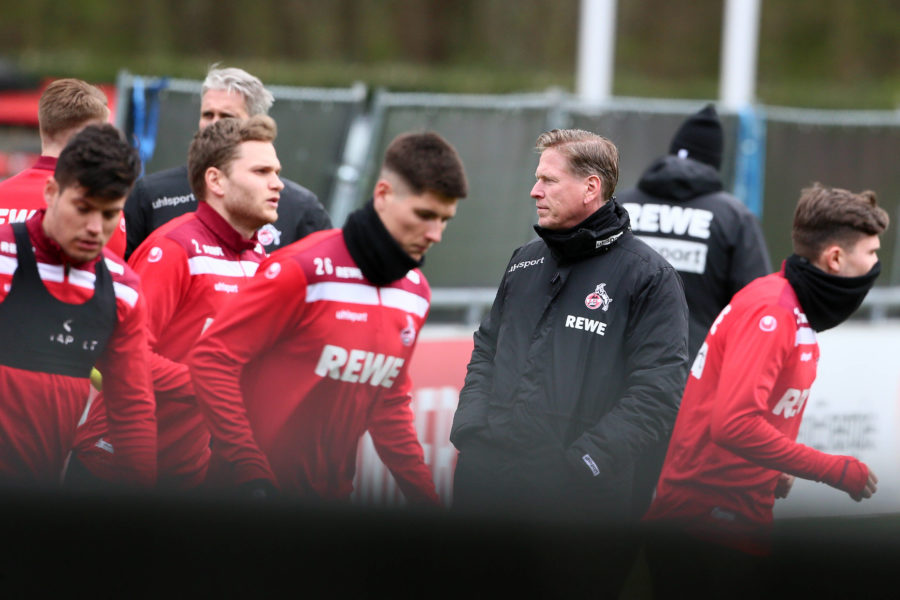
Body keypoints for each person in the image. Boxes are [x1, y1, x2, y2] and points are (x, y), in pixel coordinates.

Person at [448, 129, 689, 592]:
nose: (534, 191)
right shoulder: (524, 262)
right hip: (488, 489)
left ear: (591, 188)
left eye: (548, 180)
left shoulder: (650, 277)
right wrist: (472, 427)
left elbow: (658, 392)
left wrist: (585, 463)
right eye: (538, 179)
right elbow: (487, 348)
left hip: (579, 506)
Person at [189, 131, 468, 503]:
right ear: (383, 195)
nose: (435, 233)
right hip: (246, 500)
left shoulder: (416, 292)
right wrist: (249, 468)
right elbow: (212, 360)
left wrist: (426, 498)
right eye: (424, 215)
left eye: (445, 220)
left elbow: (388, 402)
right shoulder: (300, 269)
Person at [642, 182, 887, 597]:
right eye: (872, 254)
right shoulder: (772, 311)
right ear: (836, 258)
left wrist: (771, 468)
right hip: (704, 522)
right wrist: (834, 470)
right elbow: (733, 425)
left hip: (731, 517)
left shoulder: (789, 304)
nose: (875, 264)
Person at [68, 115, 280, 491]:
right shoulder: (173, 249)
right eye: (262, 171)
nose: (277, 183)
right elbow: (122, 356)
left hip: (185, 476)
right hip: (111, 470)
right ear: (215, 180)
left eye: (276, 171)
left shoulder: (258, 259)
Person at [618, 105, 772, 539]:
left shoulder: (622, 205)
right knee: (677, 508)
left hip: (610, 376)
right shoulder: (732, 217)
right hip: (688, 387)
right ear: (715, 162)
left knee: (606, 500)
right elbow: (755, 309)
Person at [0, 123, 155, 488]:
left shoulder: (122, 288)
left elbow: (132, 410)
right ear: (51, 191)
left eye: (108, 214)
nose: (93, 227)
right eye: (83, 208)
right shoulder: (3, 256)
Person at [123, 65, 331, 260]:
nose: (213, 124)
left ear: (254, 124)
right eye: (207, 114)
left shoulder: (301, 209)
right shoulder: (150, 194)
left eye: (226, 116)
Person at [0, 78, 129, 259]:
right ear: (89, 137)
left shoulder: (2, 193)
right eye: (105, 135)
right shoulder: (100, 209)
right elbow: (109, 279)